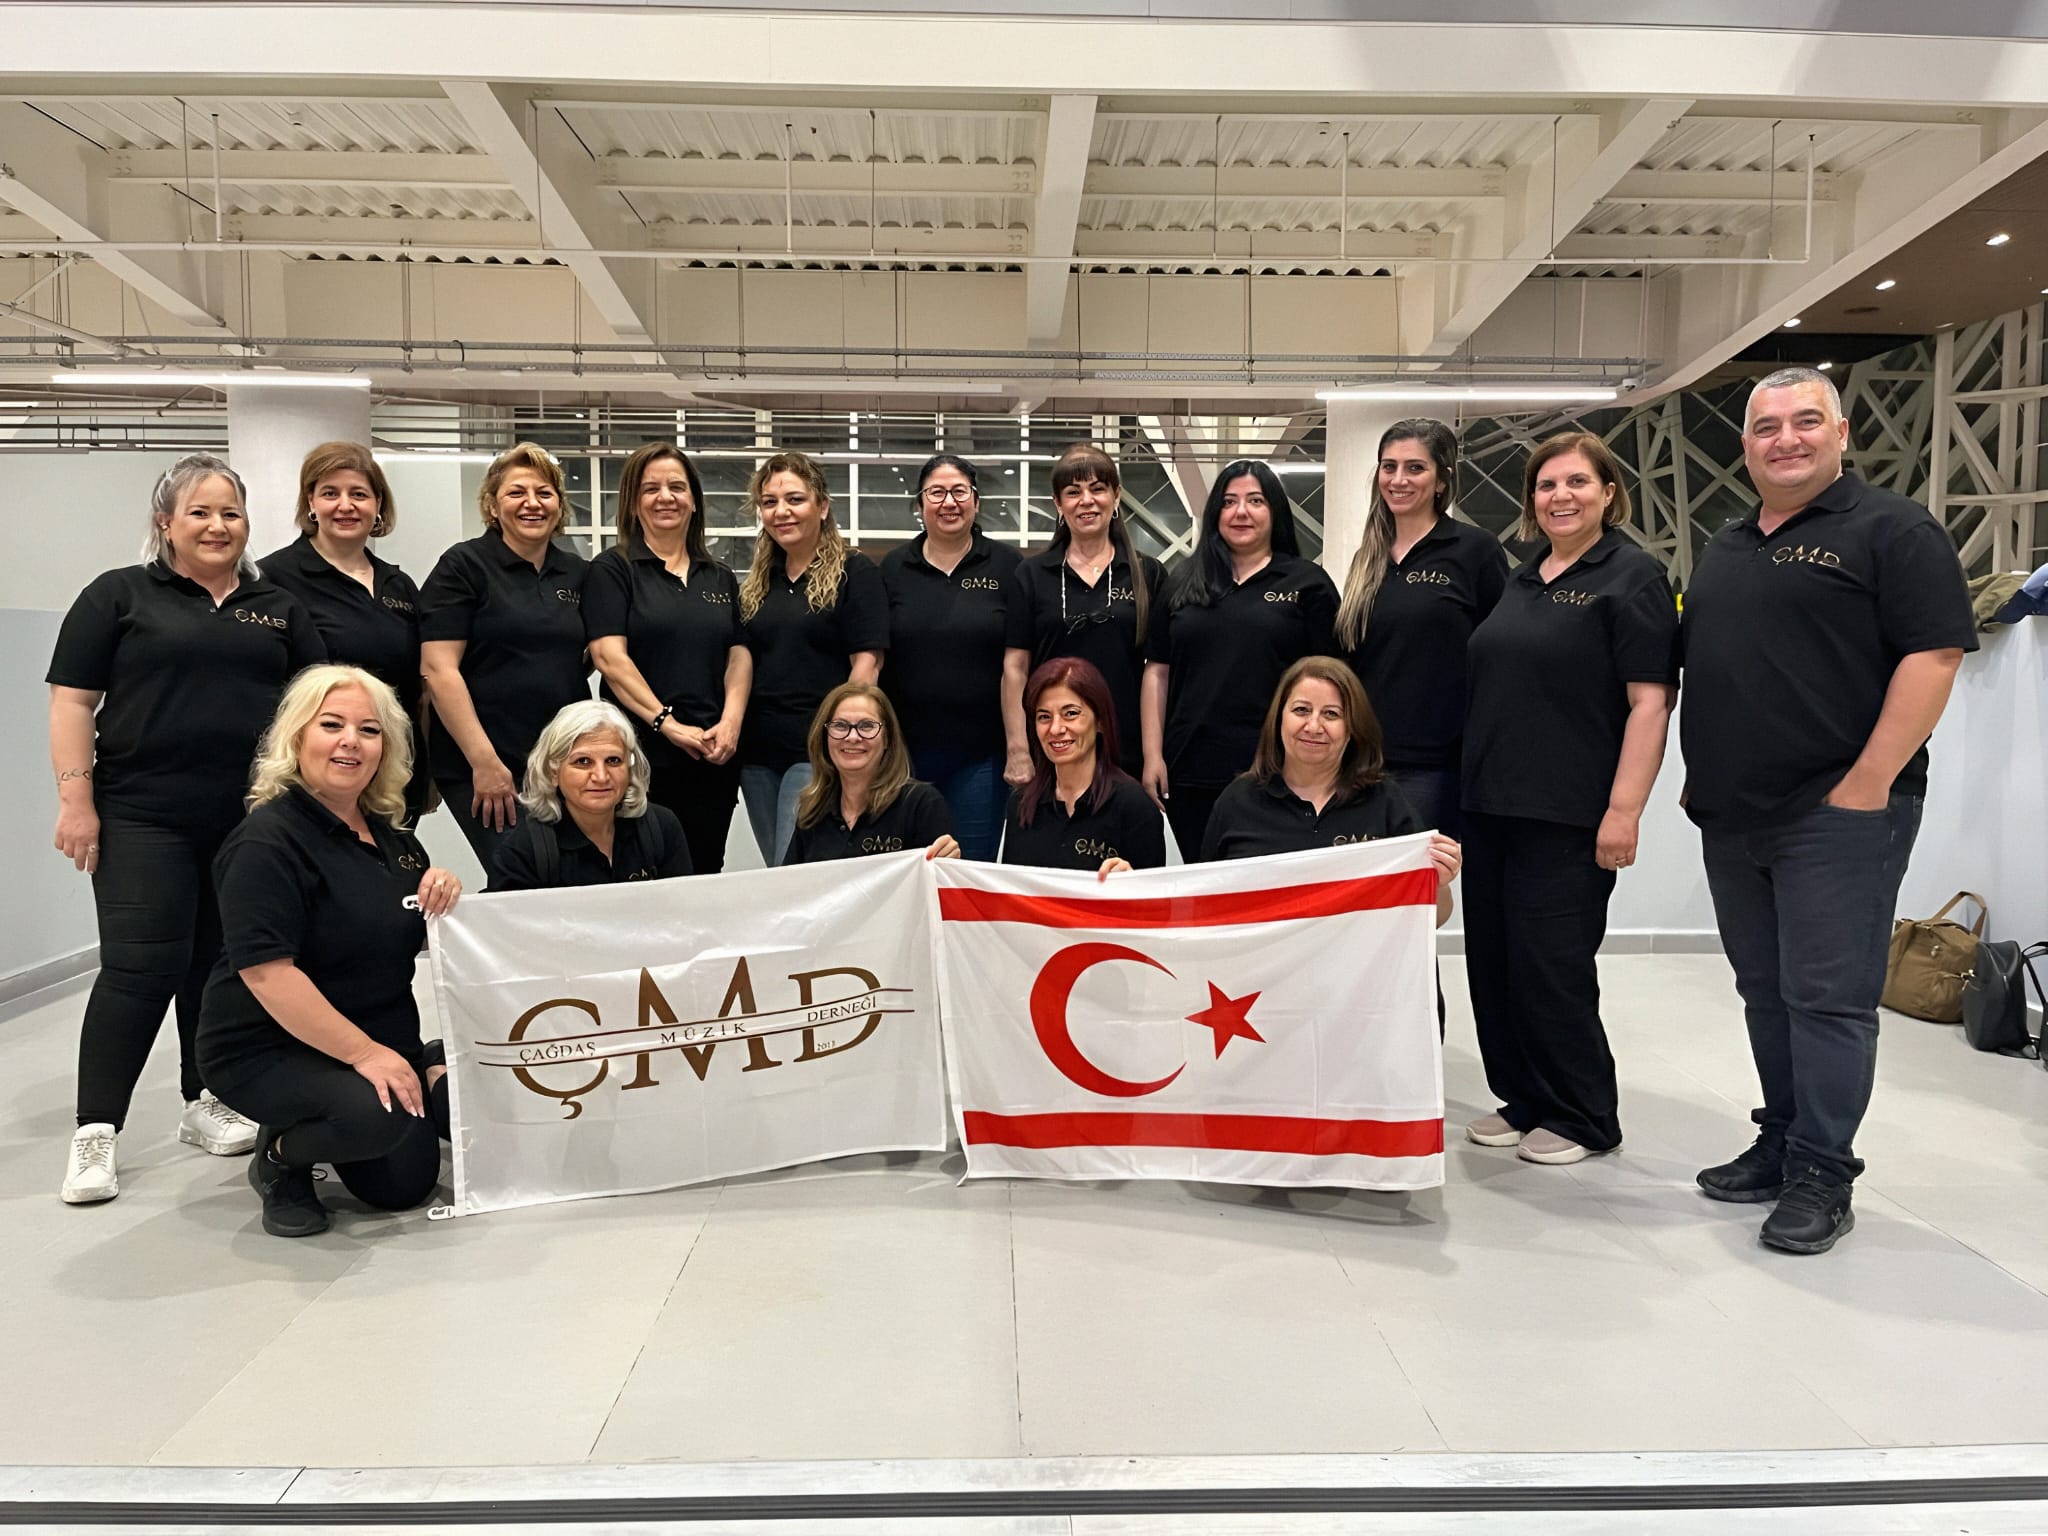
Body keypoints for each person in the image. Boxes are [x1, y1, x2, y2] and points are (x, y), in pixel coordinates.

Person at [1681, 365, 1975, 1255]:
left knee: (1828, 999)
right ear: (1745, 445)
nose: (1786, 440)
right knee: (1765, 989)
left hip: (1837, 812)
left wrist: (1869, 781)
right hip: (1735, 814)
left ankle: (1822, 1172)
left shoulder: (1893, 529)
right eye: (1767, 427)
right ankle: (1781, 1140)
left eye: (1806, 422)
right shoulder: (1730, 542)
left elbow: (1934, 656)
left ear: (1841, 433)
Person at [48, 451, 326, 1205]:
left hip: (249, 820)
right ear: (165, 522)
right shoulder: (118, 595)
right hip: (142, 814)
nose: (217, 525)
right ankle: (96, 1131)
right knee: (141, 967)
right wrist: (76, 801)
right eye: (199, 512)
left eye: (230, 512)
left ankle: (204, 1099)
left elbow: (312, 707)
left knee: (219, 962)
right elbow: (72, 702)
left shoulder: (278, 606)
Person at [1459, 432, 1679, 1168]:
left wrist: (1624, 810)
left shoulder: (1631, 576)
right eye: (1547, 484)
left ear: (1609, 493)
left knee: (1552, 966)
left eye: (1578, 482)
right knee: (1496, 963)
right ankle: (1524, 1097)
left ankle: (1584, 1114)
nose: (1561, 496)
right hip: (1492, 805)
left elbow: (1650, 702)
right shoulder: (1524, 577)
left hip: (1568, 811)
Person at [197, 666, 463, 1238]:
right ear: (297, 736)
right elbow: (268, 975)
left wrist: (442, 891)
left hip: (374, 1031)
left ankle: (414, 1063)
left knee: (405, 1186)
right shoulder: (266, 841)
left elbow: (404, 930)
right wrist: (365, 1054)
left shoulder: (396, 839)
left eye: (369, 730)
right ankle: (281, 1157)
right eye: (332, 725)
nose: (351, 742)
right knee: (372, 1118)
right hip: (268, 1044)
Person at [1142, 460, 1338, 860]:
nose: (1241, 512)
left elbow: (1334, 683)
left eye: (1255, 501)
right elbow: (1157, 672)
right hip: (1190, 766)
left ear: (1274, 511)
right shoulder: (1182, 581)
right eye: (1229, 501)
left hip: (1278, 769)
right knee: (1203, 880)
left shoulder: (1307, 584)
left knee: (1268, 885)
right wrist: (1152, 756)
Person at [418, 442, 592, 867]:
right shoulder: (463, 566)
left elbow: (585, 657)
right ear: (493, 506)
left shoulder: (577, 573)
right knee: (522, 873)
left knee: (569, 876)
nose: (532, 503)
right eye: (516, 492)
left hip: (560, 762)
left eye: (544, 493)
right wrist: (484, 761)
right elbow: (438, 669)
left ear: (559, 506)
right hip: (486, 762)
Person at [1335, 418, 1509, 836]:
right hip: (1362, 759)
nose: (1398, 480)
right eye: (1389, 467)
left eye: (1415, 468)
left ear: (1442, 480)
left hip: (1435, 765)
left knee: (1421, 873)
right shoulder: (1368, 558)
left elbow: (1500, 657)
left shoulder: (1474, 550)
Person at [584, 441, 750, 873]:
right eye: (650, 488)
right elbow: (609, 657)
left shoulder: (719, 576)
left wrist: (731, 723)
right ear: (633, 503)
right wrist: (668, 725)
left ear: (693, 500)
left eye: (677, 487)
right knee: (642, 877)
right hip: (642, 759)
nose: (665, 497)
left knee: (704, 872)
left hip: (712, 757)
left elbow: (738, 656)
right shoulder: (613, 569)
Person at [1202, 657, 1459, 927]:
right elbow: (1205, 908)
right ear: (1278, 719)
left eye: (1331, 714)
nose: (1314, 726)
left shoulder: (1384, 800)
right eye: (1301, 710)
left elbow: (1433, 918)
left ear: (1353, 728)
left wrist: (1440, 883)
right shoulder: (1237, 801)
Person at [259, 441, 431, 821]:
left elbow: (418, 689)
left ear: (378, 504)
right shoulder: (272, 580)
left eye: (359, 494)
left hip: (393, 774)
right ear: (311, 502)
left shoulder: (400, 586)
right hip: (314, 778)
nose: (345, 505)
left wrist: (428, 772)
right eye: (330, 493)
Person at [736, 452, 888, 865]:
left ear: (822, 506)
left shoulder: (854, 572)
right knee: (777, 869)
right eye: (769, 502)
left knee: (795, 869)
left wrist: (842, 736)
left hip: (816, 751)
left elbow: (867, 665)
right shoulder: (758, 582)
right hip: (758, 754)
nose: (781, 511)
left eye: (795, 499)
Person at [879, 454, 1022, 860]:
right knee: (909, 870)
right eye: (936, 493)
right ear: (920, 503)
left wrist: (1019, 748)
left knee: (969, 871)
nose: (949, 502)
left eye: (959, 491)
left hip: (981, 757)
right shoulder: (893, 569)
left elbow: (1016, 664)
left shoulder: (1008, 566)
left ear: (976, 501)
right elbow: (876, 659)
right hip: (904, 757)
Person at [1002, 444, 1164, 783]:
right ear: (1058, 504)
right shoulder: (1030, 575)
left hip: (1127, 746)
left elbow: (1157, 673)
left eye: (1098, 488)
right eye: (1073, 492)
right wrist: (1018, 749)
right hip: (1052, 745)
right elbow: (1015, 668)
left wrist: (1154, 756)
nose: (1086, 501)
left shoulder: (1148, 574)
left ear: (1116, 496)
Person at [491, 700, 693, 890]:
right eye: (583, 762)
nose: (601, 777)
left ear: (629, 768)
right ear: (553, 772)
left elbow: (683, 909)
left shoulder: (661, 828)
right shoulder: (523, 851)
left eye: (613, 760)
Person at [1001, 656, 1166, 876]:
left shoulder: (1135, 807)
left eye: (1071, 713)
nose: (1056, 729)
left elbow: (1155, 895)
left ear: (1100, 721)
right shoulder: (1020, 804)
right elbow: (1008, 890)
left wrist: (1132, 882)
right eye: (1044, 717)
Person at [781, 683, 958, 865]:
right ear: (824, 737)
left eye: (866, 726)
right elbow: (789, 880)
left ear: (887, 738)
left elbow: (938, 879)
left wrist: (948, 863)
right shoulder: (813, 813)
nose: (852, 737)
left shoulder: (921, 805)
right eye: (840, 726)